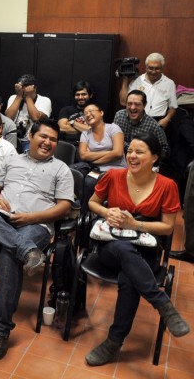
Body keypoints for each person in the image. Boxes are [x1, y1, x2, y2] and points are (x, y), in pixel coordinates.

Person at [0, 119, 74, 362]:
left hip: (36, 226)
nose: (48, 142)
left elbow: (65, 207)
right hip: (1, 220)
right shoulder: (11, 159)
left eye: (53, 139)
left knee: (8, 254)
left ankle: (0, 330)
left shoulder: (61, 169)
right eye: (43, 136)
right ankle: (27, 252)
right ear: (31, 136)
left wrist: (30, 217)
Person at [85, 134, 189, 366]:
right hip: (110, 245)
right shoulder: (113, 175)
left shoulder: (167, 185)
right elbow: (92, 202)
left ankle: (113, 342)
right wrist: (106, 212)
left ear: (154, 157)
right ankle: (162, 303)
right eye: (129, 150)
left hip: (146, 248)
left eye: (139, 152)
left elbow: (168, 227)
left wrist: (136, 225)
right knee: (122, 249)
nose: (131, 156)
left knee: (130, 277)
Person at [78, 103, 126, 209]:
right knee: (84, 179)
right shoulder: (85, 134)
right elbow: (83, 155)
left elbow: (118, 153)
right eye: (85, 113)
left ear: (101, 113)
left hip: (116, 168)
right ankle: (85, 216)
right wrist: (109, 152)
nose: (88, 114)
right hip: (98, 169)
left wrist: (95, 159)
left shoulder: (113, 128)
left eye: (91, 111)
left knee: (91, 182)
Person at [119, 52, 178, 129]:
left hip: (158, 122)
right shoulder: (137, 81)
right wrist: (125, 79)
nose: (153, 71)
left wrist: (166, 119)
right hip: (138, 120)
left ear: (162, 68)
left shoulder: (169, 83)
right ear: (146, 67)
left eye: (157, 68)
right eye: (150, 68)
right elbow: (123, 102)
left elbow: (173, 107)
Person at [114, 90, 170, 160]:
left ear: (144, 105)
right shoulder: (119, 116)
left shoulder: (154, 126)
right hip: (120, 157)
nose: (132, 107)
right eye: (129, 104)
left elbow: (165, 150)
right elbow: (113, 138)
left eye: (137, 104)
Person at [4, 74, 52, 152]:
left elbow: (35, 118)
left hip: (32, 141)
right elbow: (8, 118)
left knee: (28, 158)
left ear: (35, 89)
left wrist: (28, 97)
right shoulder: (14, 98)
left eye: (26, 89)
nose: (24, 92)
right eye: (22, 89)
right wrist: (19, 96)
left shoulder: (45, 100)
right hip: (13, 139)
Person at [58, 81, 94, 147]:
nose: (80, 97)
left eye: (83, 94)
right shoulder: (66, 110)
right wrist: (84, 128)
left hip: (88, 146)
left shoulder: (95, 111)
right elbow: (62, 128)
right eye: (77, 95)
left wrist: (72, 123)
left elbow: (93, 130)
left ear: (90, 95)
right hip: (66, 145)